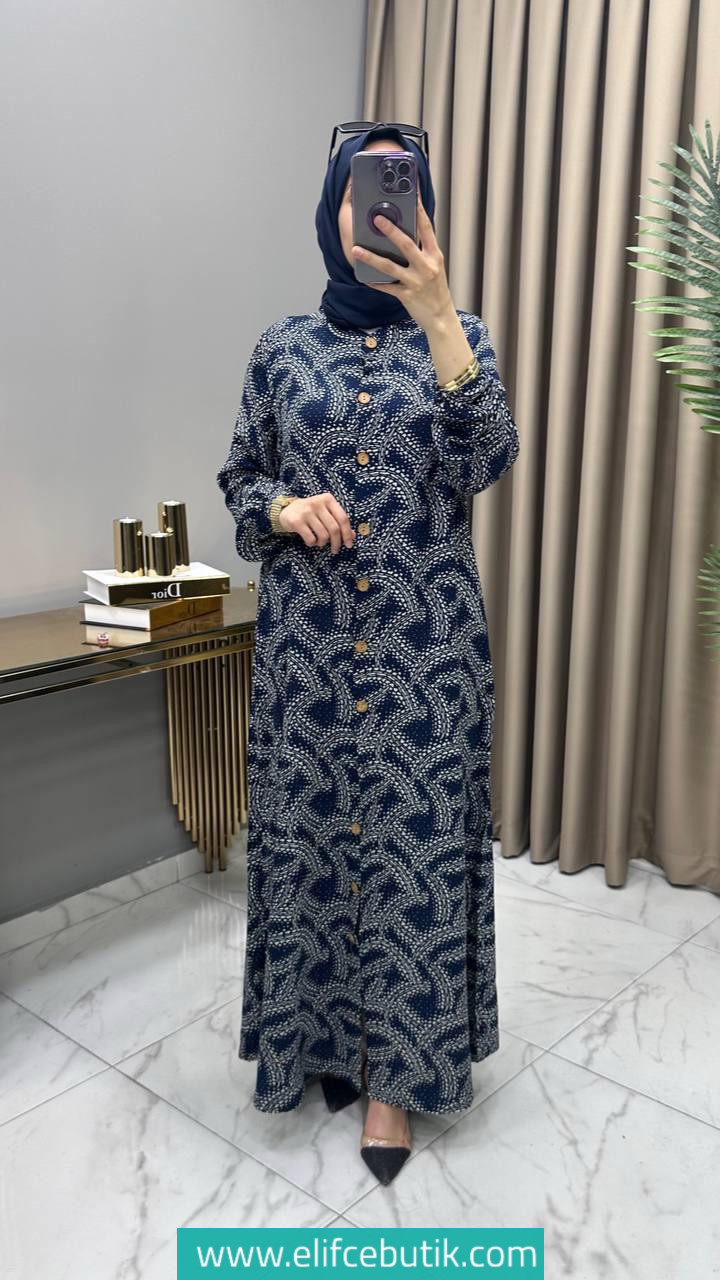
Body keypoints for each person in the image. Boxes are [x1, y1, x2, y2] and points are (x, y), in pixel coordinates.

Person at [216, 123, 520, 1186]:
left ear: (422, 210)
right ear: (333, 209)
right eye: (362, 188)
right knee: (309, 847)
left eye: (401, 188)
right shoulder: (281, 347)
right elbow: (240, 476)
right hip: (305, 657)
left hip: (424, 659)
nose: (380, 208)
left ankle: (394, 1077)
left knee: (410, 859)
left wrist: (436, 313)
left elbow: (486, 459)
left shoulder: (461, 334)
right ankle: (317, 1040)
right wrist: (284, 506)